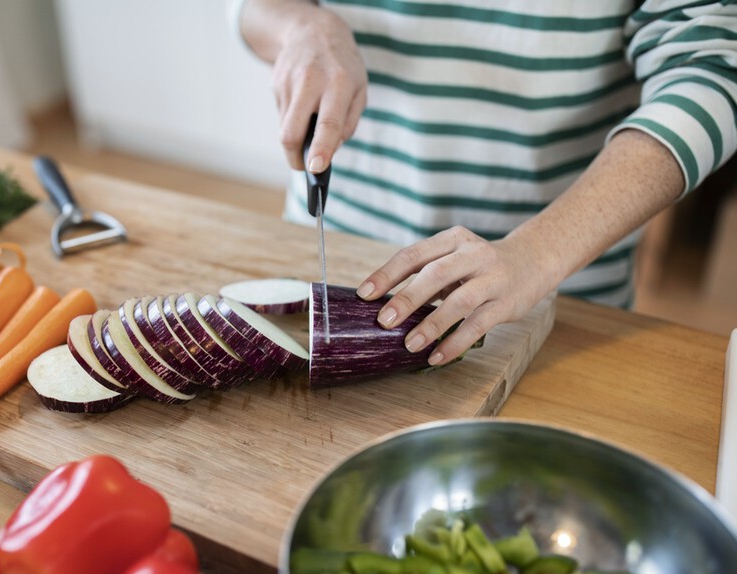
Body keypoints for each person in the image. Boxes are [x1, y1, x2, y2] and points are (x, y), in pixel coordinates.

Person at [233, 0, 737, 365]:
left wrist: (539, 252)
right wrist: (298, 24)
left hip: (551, 292)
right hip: (331, 241)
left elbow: (714, 70)